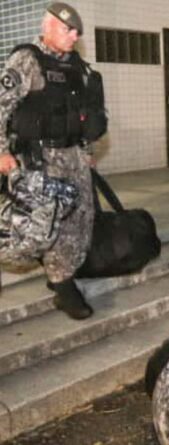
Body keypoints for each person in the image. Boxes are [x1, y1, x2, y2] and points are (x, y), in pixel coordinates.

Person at [0, 3, 105, 320]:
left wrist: (86, 153)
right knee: (45, 225)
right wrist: (1, 150)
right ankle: (63, 287)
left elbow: (80, 115)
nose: (74, 36)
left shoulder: (76, 67)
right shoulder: (27, 60)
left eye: (77, 32)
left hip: (73, 157)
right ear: (48, 26)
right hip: (40, 159)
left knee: (80, 220)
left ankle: (64, 272)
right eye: (68, 29)